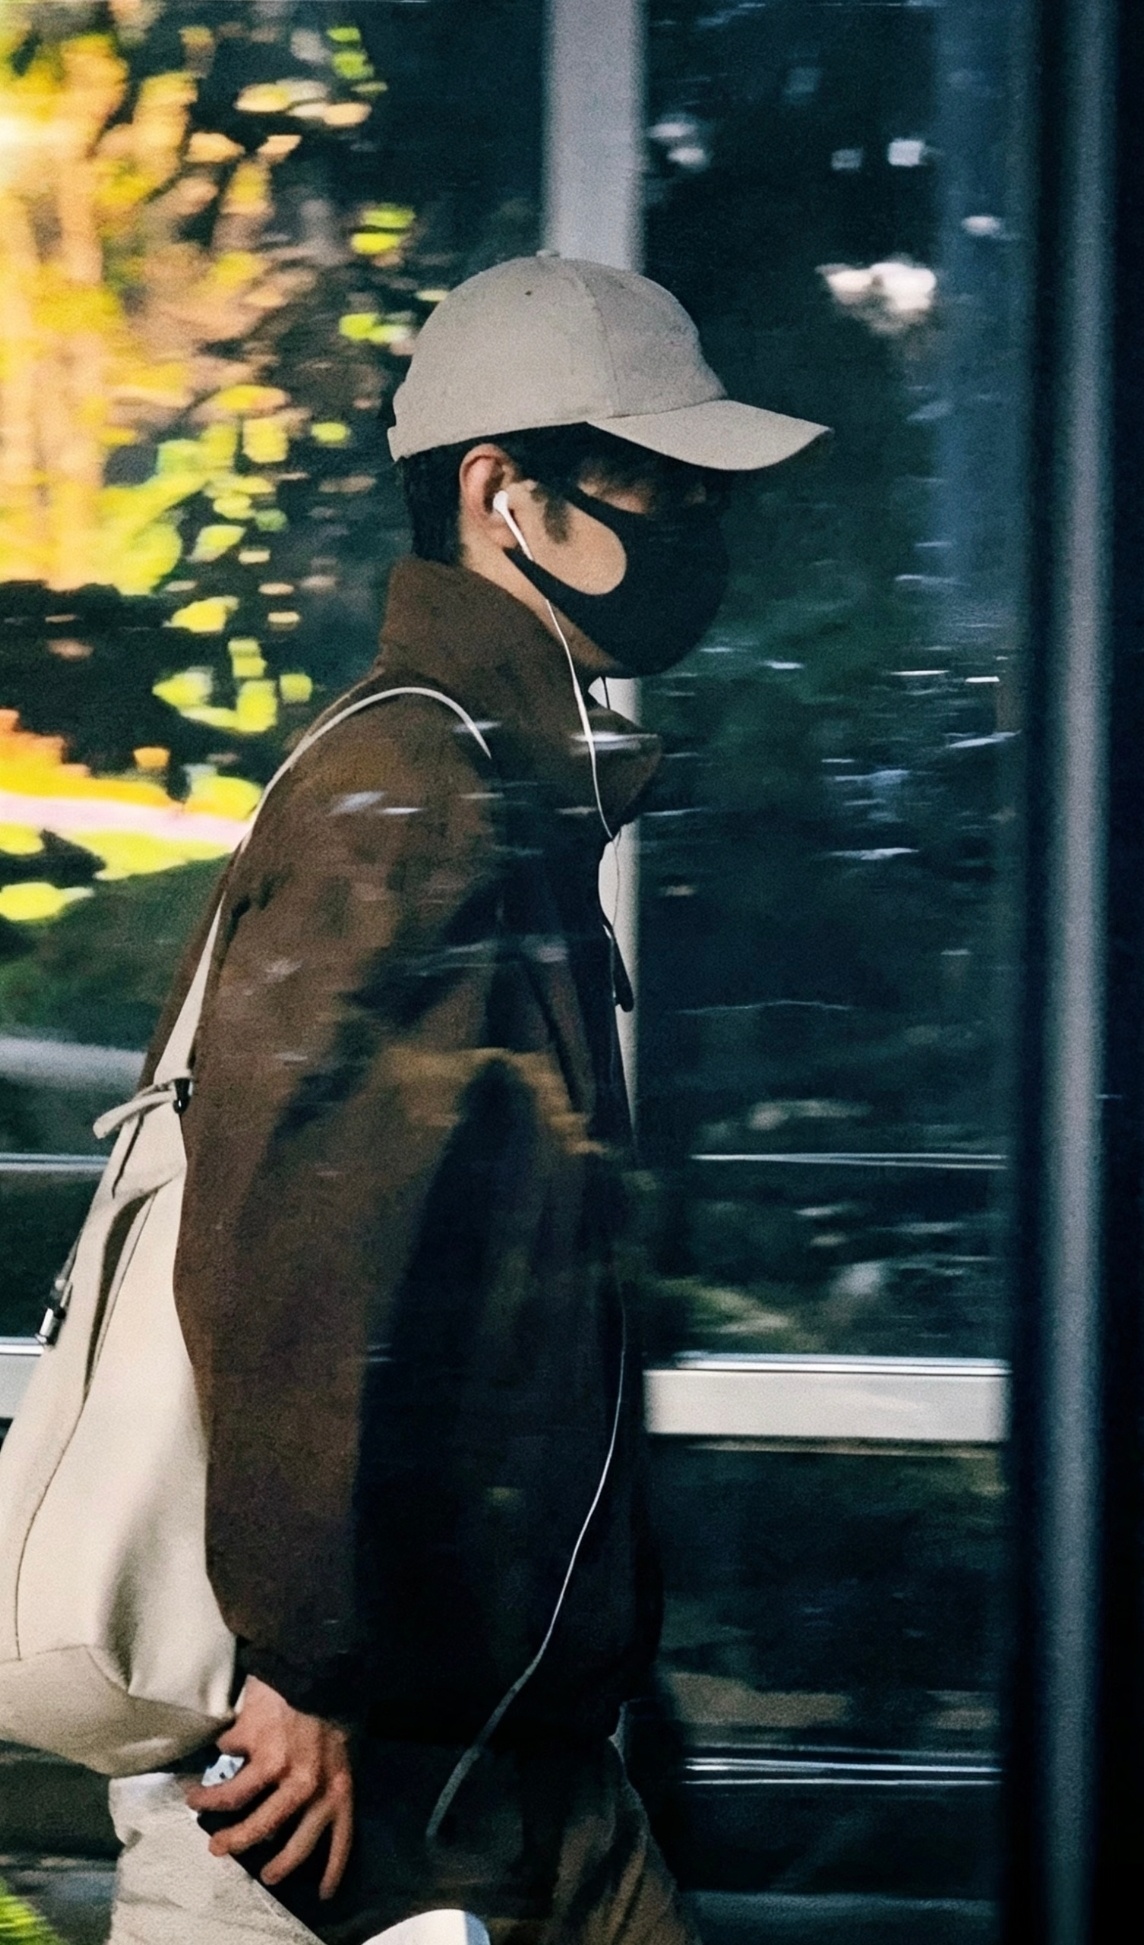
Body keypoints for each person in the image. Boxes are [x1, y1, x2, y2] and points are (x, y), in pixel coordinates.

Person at [105, 254, 827, 1945]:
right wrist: (306, 1664)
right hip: (352, 1776)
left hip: (518, 1747)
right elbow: (297, 1246)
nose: (701, 526)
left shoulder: (508, 776)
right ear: (504, 493)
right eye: (661, 485)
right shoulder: (414, 781)